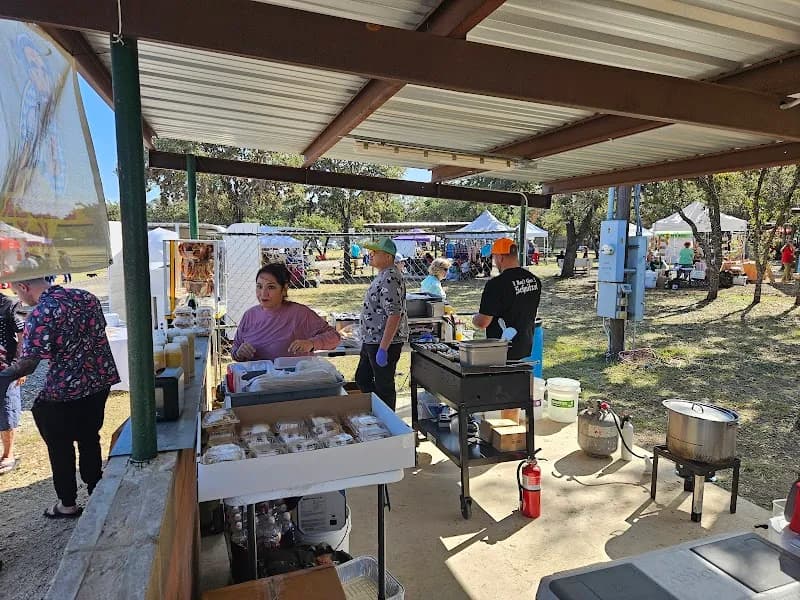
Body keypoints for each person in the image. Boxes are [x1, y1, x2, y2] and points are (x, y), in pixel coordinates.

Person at [0, 265, 119, 518]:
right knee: (89, 436)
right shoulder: (87, 297)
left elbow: (29, 363)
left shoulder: (41, 312)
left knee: (59, 445)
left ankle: (67, 503)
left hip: (65, 390)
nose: (19, 298)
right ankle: (96, 489)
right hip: (99, 380)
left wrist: (5, 375)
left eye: (17, 292)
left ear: (24, 287)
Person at [233, 263, 340, 362]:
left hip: (292, 375)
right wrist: (239, 353)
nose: (263, 293)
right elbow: (235, 350)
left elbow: (334, 337)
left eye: (271, 287)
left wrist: (311, 343)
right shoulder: (249, 315)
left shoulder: (299, 314)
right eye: (259, 286)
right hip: (256, 376)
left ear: (284, 289)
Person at [355, 238, 408, 411]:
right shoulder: (384, 274)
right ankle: (378, 411)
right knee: (362, 378)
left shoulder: (390, 277)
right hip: (372, 339)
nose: (370, 255)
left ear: (387, 256)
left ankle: (387, 418)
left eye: (374, 252)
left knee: (384, 386)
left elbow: (394, 314)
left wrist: (383, 348)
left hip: (382, 341)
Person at [473, 238, 542, 360]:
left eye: (494, 257)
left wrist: (474, 319)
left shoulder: (496, 284)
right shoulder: (534, 280)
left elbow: (483, 322)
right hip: (525, 345)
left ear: (500, 257)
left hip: (501, 349)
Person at [0, 294, 24, 475]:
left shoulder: (11, 304)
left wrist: (21, 366)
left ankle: (8, 454)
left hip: (6, 368)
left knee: (7, 409)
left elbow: (23, 335)